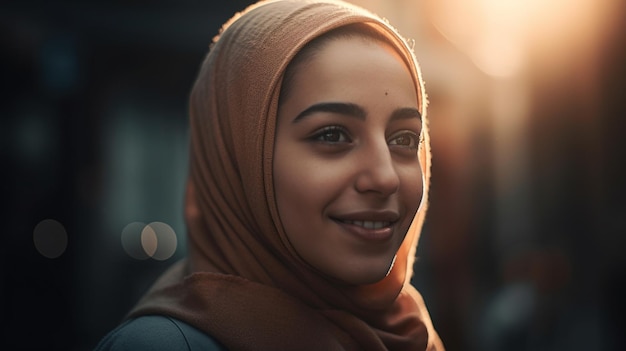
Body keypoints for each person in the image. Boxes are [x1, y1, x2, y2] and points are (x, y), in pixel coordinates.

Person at [95, 0, 444, 350]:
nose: (385, 177)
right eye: (332, 135)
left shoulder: (410, 333)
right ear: (240, 155)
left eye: (404, 139)